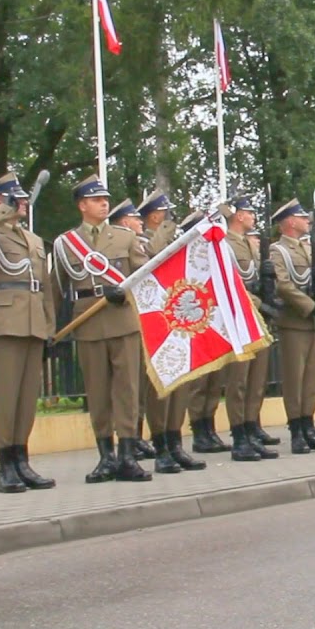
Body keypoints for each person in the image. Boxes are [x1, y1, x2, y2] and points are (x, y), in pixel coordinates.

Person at [52, 175, 151, 483]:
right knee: (97, 392)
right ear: (82, 205)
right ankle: (105, 456)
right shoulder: (65, 244)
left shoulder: (124, 237)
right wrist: (51, 328)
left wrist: (126, 293)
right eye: (96, 200)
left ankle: (127, 455)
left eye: (105, 199)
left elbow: (146, 276)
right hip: (88, 321)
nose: (104, 203)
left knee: (127, 390)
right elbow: (56, 289)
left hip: (122, 320)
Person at [0, 173, 57, 494]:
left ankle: (22, 459)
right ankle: (5, 464)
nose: (19, 204)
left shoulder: (31, 240)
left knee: (26, 399)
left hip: (32, 322)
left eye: (18, 199)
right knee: (5, 398)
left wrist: (49, 328)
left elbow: (44, 287)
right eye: (11, 198)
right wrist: (1, 212)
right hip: (3, 322)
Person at [137, 190, 207, 473]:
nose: (170, 220)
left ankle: (176, 442)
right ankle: (161, 445)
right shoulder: (142, 241)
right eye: (165, 214)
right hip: (155, 320)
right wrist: (166, 230)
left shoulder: (172, 241)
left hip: (176, 317)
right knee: (161, 387)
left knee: (181, 383)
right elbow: (153, 257)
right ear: (155, 215)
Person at [269, 198, 315, 455]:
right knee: (295, 379)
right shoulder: (278, 251)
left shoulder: (310, 250)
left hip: (313, 324)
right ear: (289, 222)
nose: (307, 221)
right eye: (302, 217)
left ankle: (308, 425)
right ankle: (296, 430)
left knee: (311, 379)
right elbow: (283, 285)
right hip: (295, 321)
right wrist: (311, 306)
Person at [220, 195, 279, 461]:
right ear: (238, 216)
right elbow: (229, 283)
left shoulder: (251, 246)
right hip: (239, 318)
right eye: (250, 212)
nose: (253, 216)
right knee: (239, 381)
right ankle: (239, 436)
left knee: (256, 380)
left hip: (256, 317)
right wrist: (258, 303)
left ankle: (250, 428)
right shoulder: (223, 245)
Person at [108, 198, 159, 462]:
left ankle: (136, 435)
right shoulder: (124, 244)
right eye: (135, 218)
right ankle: (131, 436)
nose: (140, 221)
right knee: (131, 384)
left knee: (138, 384)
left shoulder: (140, 244)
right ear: (125, 222)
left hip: (141, 320)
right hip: (130, 319)